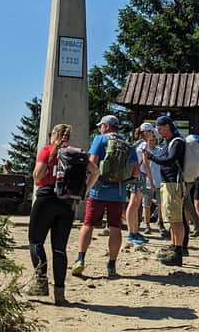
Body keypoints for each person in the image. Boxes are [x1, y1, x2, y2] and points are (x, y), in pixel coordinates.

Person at [28, 124, 99, 305]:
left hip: (46, 199)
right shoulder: (77, 154)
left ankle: (41, 282)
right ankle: (60, 294)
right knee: (59, 249)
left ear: (54, 135)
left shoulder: (47, 150)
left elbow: (37, 176)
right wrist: (84, 191)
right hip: (67, 203)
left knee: (36, 241)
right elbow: (96, 171)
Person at [72, 115, 139, 278]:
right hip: (119, 193)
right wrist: (123, 181)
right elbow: (136, 171)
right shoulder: (128, 144)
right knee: (115, 227)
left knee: (88, 224)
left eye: (101, 126)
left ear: (107, 126)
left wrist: (87, 186)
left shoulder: (100, 140)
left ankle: (80, 260)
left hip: (98, 190)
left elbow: (92, 163)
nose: (100, 128)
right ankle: (112, 264)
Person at [144, 115, 187, 266]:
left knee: (176, 218)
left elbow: (170, 160)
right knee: (171, 217)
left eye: (160, 128)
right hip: (167, 183)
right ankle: (174, 246)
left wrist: (151, 157)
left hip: (173, 184)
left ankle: (178, 250)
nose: (159, 132)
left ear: (167, 127)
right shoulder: (169, 142)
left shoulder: (177, 142)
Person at [125, 125, 155, 245]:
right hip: (140, 175)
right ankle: (131, 233)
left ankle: (134, 231)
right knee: (134, 204)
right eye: (152, 132)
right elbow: (146, 164)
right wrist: (151, 181)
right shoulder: (144, 144)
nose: (153, 134)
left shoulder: (136, 143)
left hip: (133, 175)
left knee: (135, 204)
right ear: (147, 132)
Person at [135, 123, 165, 235]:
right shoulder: (144, 147)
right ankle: (147, 225)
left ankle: (160, 223)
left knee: (160, 204)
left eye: (153, 139)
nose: (151, 141)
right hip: (147, 182)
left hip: (159, 181)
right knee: (146, 204)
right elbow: (146, 165)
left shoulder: (160, 150)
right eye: (150, 139)